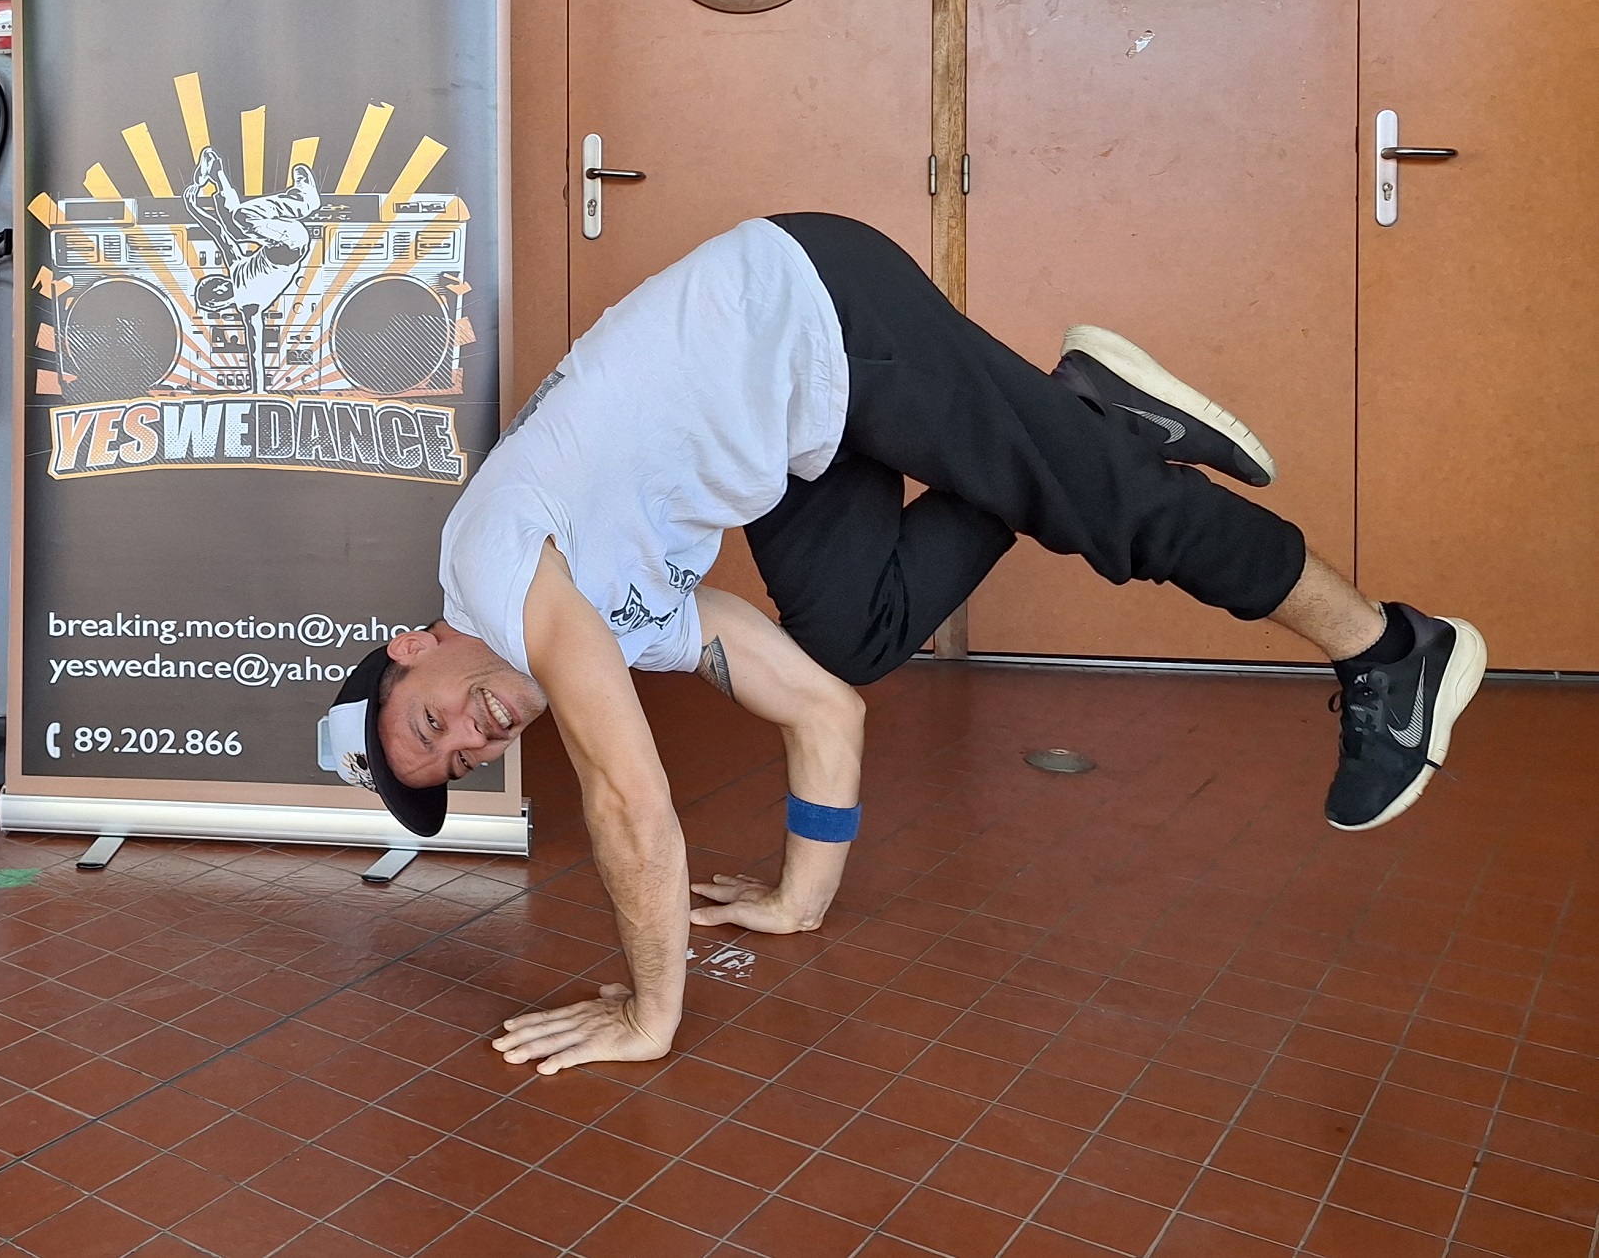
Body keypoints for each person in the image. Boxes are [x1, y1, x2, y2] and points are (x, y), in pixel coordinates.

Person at [316, 213, 1483, 1072]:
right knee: (853, 636)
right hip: (792, 427)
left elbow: (628, 798)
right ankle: (1078, 421)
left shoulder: (490, 565)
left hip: (812, 309)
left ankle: (1389, 649)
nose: (474, 734)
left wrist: (646, 1013)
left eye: (436, 719)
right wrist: (796, 900)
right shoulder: (606, 620)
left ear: (419, 645)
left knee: (1119, 517)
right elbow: (826, 708)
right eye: (461, 760)